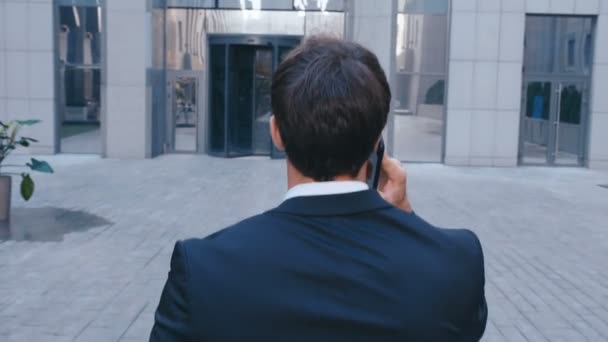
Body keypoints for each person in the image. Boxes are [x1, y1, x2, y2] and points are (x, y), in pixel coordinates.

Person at [150, 36, 487, 342]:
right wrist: (407, 219)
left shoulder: (203, 268)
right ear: (376, 140)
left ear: (277, 133)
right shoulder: (456, 261)